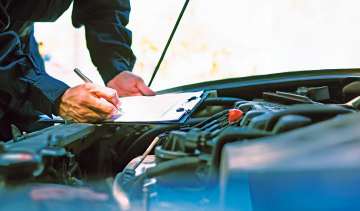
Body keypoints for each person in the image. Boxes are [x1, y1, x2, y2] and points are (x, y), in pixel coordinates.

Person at [0, 0, 155, 140]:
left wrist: (115, 68)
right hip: (5, 52)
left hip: (21, 47)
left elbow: (103, 7)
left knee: (36, 137)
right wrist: (56, 95)